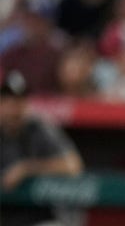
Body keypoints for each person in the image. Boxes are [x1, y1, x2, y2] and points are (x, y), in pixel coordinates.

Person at [0, 70, 84, 226]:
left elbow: (74, 165)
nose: (13, 109)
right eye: (8, 102)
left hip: (41, 217)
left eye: (18, 102)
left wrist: (26, 168)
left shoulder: (38, 129)